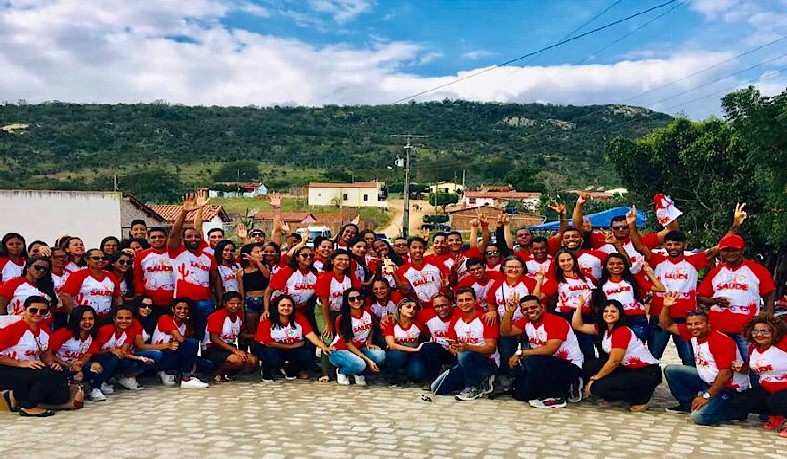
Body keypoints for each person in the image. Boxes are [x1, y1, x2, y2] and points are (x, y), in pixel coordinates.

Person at [628, 204, 744, 364]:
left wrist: (735, 224)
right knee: (653, 355)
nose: (673, 247)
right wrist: (632, 224)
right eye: (669, 244)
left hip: (686, 317)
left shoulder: (694, 260)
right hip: (659, 314)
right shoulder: (657, 260)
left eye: (677, 244)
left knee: (689, 358)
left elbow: (719, 247)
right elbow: (639, 246)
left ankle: (690, 380)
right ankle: (650, 380)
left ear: (685, 245)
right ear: (664, 246)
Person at [660, 292, 751, 424]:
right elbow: (667, 325)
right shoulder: (693, 333)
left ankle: (736, 410)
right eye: (690, 324)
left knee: (699, 417)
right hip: (707, 380)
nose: (693, 327)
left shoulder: (721, 341)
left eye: (698, 324)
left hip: (729, 387)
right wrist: (666, 306)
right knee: (671, 370)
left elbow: (725, 374)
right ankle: (688, 404)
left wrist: (706, 396)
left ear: (708, 324)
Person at [572, 298, 662, 412]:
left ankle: (641, 397)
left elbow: (614, 362)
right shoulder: (604, 328)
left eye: (613, 311)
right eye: (606, 311)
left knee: (597, 388)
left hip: (646, 372)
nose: (609, 314)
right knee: (589, 366)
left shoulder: (621, 331)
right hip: (626, 368)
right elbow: (578, 326)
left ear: (620, 314)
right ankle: (614, 395)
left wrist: (595, 378)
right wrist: (579, 305)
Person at [698, 233, 776, 360]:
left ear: (742, 250)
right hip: (718, 328)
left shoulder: (757, 270)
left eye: (734, 250)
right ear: (720, 252)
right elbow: (700, 296)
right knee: (721, 362)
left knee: (750, 362)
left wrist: (767, 321)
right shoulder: (717, 271)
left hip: (746, 330)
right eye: (726, 250)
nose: (730, 253)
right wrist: (714, 301)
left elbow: (770, 296)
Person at [501, 295, 584, 408]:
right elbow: (505, 332)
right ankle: (561, 387)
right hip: (545, 365)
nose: (530, 311)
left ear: (542, 307)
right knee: (521, 393)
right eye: (525, 309)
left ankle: (558, 395)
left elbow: (549, 349)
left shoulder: (556, 321)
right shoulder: (526, 321)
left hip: (569, 365)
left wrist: (520, 353)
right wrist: (509, 312)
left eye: (533, 307)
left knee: (533, 360)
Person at [0, 296, 69, 416]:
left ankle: (15, 396)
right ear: (24, 309)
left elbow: (46, 353)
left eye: (43, 311)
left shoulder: (45, 330)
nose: (38, 314)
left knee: (61, 394)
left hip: (29, 369)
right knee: (50, 375)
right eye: (33, 310)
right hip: (7, 368)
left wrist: (53, 364)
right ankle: (28, 406)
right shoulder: (13, 330)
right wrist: (20, 363)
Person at [167, 192, 222, 342]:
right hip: (182, 302)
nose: (193, 238)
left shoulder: (208, 256)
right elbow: (173, 234)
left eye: (196, 236)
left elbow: (216, 278)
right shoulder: (177, 252)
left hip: (204, 302)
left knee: (204, 334)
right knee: (183, 334)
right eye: (189, 236)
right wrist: (184, 212)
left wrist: (219, 299)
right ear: (183, 239)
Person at [432, 288, 499, 401]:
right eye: (460, 300)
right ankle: (479, 381)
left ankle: (473, 387)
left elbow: (490, 348)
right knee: (437, 388)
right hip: (464, 362)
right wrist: (454, 349)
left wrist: (468, 347)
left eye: (468, 299)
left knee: (465, 354)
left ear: (475, 300)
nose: (464, 303)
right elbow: (451, 346)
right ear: (456, 303)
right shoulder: (455, 321)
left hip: (487, 362)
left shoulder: (485, 318)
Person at [727, 314, 787, 437]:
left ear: (775, 331)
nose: (759, 335)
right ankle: (778, 416)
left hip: (783, 390)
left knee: (776, 400)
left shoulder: (783, 343)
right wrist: (742, 367)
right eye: (755, 331)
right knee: (741, 400)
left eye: (765, 331)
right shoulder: (753, 348)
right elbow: (756, 368)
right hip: (768, 389)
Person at [254, 295, 334, 381]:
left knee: (305, 355)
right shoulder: (267, 320)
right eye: (282, 305)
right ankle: (267, 372)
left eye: (289, 305)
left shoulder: (299, 317)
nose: (286, 308)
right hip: (272, 348)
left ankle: (289, 369)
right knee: (272, 356)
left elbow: (310, 335)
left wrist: (323, 346)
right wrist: (291, 346)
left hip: (292, 349)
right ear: (276, 307)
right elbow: (268, 343)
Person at [594, 253, 664, 343]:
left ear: (625, 265)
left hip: (637, 318)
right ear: (606, 266)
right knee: (619, 347)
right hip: (616, 320)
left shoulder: (633, 279)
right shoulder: (601, 284)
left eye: (620, 263)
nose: (616, 266)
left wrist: (648, 272)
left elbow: (660, 288)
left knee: (637, 347)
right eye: (611, 264)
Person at [90, 305, 158, 391]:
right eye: (120, 318)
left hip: (118, 358)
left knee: (150, 357)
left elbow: (122, 353)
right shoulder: (105, 329)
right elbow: (94, 352)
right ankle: (98, 384)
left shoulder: (130, 331)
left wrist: (140, 358)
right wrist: (110, 350)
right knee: (115, 357)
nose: (124, 321)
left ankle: (123, 377)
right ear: (114, 318)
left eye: (128, 318)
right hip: (100, 359)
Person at [45, 305, 105, 401]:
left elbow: (87, 355)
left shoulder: (93, 335)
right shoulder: (63, 333)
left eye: (91, 319)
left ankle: (95, 389)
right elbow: (48, 354)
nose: (87, 322)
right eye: (83, 319)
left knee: (96, 367)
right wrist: (68, 365)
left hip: (77, 367)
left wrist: (79, 366)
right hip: (60, 367)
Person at [148, 298, 209, 388]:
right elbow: (181, 340)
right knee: (191, 343)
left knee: (206, 364)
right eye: (179, 308)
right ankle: (185, 378)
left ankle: (179, 373)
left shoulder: (186, 323)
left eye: (186, 309)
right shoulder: (165, 318)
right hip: (162, 355)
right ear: (173, 309)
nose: (182, 311)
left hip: (175, 352)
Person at [328, 288, 385, 385]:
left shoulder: (368, 312)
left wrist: (369, 342)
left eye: (359, 298)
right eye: (352, 299)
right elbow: (348, 344)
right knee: (360, 364)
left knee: (381, 356)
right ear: (346, 301)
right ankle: (342, 371)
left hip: (359, 348)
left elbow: (372, 327)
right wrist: (367, 360)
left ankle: (357, 372)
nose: (356, 301)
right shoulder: (341, 319)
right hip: (340, 350)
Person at [549, 248, 597, 360]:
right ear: (558, 263)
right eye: (562, 261)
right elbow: (543, 295)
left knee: (590, 346)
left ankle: (591, 368)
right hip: (567, 316)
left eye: (568, 259)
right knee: (577, 347)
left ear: (574, 260)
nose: (566, 263)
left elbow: (594, 293)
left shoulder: (586, 277)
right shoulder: (556, 279)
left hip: (587, 315)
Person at [203, 291, 258, 382]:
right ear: (225, 303)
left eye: (238, 303)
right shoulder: (216, 316)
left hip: (229, 346)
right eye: (232, 303)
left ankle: (228, 373)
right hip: (213, 348)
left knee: (253, 361)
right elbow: (214, 339)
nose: (235, 306)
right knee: (238, 361)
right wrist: (235, 351)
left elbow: (240, 334)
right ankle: (216, 373)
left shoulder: (239, 315)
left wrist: (255, 336)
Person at [60, 249, 122, 319]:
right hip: (84, 319)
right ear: (87, 260)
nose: (100, 260)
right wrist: (74, 315)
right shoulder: (78, 275)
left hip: (106, 318)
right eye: (96, 258)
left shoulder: (111, 276)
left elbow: (118, 297)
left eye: (103, 258)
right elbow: (66, 295)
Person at [133, 227, 175, 323]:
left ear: (166, 238)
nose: (157, 239)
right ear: (148, 240)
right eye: (153, 237)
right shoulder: (141, 256)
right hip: (150, 301)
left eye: (161, 237)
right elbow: (137, 278)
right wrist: (141, 298)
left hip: (172, 300)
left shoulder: (175, 254)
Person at [383, 298, 427, 386]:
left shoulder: (418, 323)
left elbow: (429, 336)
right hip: (399, 352)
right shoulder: (391, 322)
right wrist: (414, 349)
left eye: (414, 308)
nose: (411, 310)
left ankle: (409, 372)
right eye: (408, 307)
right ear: (400, 308)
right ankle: (393, 377)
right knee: (396, 355)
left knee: (416, 374)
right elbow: (391, 345)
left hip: (414, 355)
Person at [396, 237, 449, 309]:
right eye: (414, 247)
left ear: (425, 249)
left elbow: (448, 284)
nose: (418, 250)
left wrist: (454, 272)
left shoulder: (436, 264)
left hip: (440, 306)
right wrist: (394, 274)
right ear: (408, 249)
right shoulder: (402, 270)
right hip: (419, 309)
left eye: (420, 247)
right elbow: (406, 291)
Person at [418, 294, 459, 382]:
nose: (441, 309)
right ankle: (432, 379)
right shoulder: (426, 314)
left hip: (458, 350)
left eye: (444, 305)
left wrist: (490, 312)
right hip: (439, 350)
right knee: (428, 347)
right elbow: (406, 316)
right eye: (437, 306)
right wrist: (390, 317)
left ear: (451, 304)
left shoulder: (459, 313)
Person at [237, 243, 270, 346]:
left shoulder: (265, 267)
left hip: (264, 299)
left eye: (261, 251)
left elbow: (266, 276)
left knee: (264, 327)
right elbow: (242, 291)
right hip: (250, 301)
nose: (261, 254)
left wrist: (258, 262)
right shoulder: (241, 272)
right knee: (252, 330)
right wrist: (242, 309)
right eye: (257, 252)